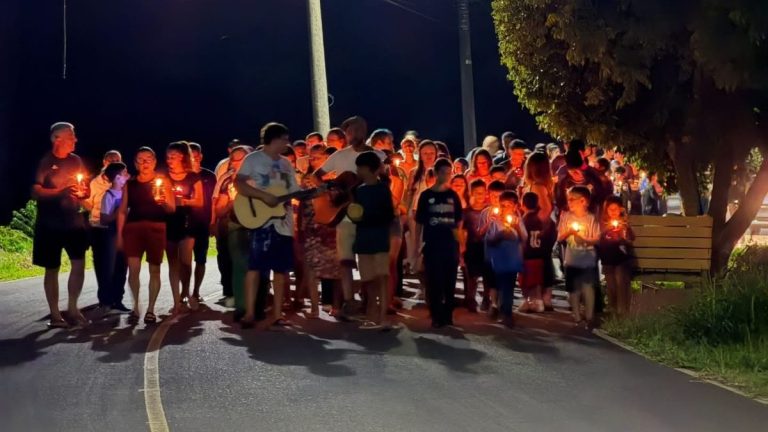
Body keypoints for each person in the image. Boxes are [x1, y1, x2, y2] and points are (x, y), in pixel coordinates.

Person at [313, 116, 385, 320]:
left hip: (368, 217)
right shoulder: (339, 156)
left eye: (355, 131)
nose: (352, 135)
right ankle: (348, 299)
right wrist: (331, 191)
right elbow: (317, 175)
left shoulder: (378, 155)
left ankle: (370, 301)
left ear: (364, 131)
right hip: (343, 216)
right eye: (348, 132)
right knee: (345, 260)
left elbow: (388, 180)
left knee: (366, 262)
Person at [236, 122, 301, 329]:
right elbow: (239, 183)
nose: (287, 143)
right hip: (261, 221)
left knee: (281, 269)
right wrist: (263, 196)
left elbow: (294, 190)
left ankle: (277, 313)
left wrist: (314, 192)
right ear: (274, 139)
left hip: (284, 222)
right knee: (255, 266)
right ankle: (249, 313)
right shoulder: (253, 159)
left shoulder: (286, 164)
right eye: (284, 139)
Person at [31, 122, 91, 328]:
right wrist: (60, 191)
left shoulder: (76, 160)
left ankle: (73, 308)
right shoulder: (45, 162)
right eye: (71, 136)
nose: (75, 139)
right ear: (57, 138)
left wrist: (84, 192)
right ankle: (55, 315)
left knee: (79, 263)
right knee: (52, 268)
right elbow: (35, 191)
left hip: (73, 222)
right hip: (49, 224)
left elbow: (83, 186)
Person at [118, 147, 176, 324]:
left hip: (156, 228)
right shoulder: (130, 184)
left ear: (155, 162)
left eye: (148, 159)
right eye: (141, 159)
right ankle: (136, 304)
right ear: (135, 163)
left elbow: (172, 208)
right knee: (133, 269)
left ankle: (151, 308)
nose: (145, 163)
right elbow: (122, 210)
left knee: (154, 269)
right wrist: (120, 234)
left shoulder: (162, 182)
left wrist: (163, 201)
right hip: (133, 228)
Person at [414, 158, 463, 328]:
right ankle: (436, 314)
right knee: (434, 281)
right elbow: (419, 222)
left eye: (449, 173)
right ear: (435, 173)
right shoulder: (426, 196)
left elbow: (458, 222)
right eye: (443, 172)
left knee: (450, 281)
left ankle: (448, 314)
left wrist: (460, 246)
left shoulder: (453, 196)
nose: (446, 176)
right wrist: (415, 248)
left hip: (450, 245)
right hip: (432, 244)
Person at [349, 152, 395, 329]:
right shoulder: (357, 190)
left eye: (360, 167)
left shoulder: (383, 189)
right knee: (368, 279)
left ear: (370, 169)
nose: (358, 170)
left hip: (379, 237)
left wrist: (367, 217)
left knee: (381, 277)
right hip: (364, 239)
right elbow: (353, 214)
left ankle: (382, 316)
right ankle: (372, 314)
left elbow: (389, 215)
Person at [298, 144, 341, 318]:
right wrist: (301, 224)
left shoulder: (336, 177)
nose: (314, 161)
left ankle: (336, 305)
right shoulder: (306, 179)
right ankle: (314, 307)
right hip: (311, 226)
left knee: (335, 267)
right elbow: (302, 202)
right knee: (311, 267)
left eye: (318, 157)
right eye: (312, 157)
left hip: (331, 227)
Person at [86, 150, 128, 312]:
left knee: (120, 266)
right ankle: (105, 300)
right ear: (104, 162)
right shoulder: (96, 184)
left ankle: (118, 299)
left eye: (117, 159)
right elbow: (88, 203)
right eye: (110, 159)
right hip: (102, 229)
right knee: (105, 266)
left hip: (122, 230)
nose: (113, 161)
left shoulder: (125, 186)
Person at [164, 142, 204, 313]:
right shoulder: (164, 176)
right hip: (168, 221)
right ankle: (176, 300)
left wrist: (182, 201)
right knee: (173, 262)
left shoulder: (193, 177)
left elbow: (200, 201)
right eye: (168, 157)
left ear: (182, 156)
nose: (169, 160)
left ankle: (186, 292)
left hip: (187, 222)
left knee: (185, 262)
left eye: (173, 156)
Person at [212, 145, 251, 309]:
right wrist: (231, 203)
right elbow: (218, 208)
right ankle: (231, 293)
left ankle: (254, 295)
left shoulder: (257, 179)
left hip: (251, 225)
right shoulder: (225, 181)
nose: (235, 163)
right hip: (230, 225)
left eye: (240, 159)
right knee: (228, 259)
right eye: (233, 160)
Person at [557, 186, 600, 327]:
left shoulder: (591, 218)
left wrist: (585, 240)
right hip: (572, 258)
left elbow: (596, 238)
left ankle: (589, 316)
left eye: (572, 199)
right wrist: (569, 232)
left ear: (583, 201)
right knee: (573, 289)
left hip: (587, 258)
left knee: (588, 287)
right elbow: (559, 237)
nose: (569, 202)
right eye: (568, 199)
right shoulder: (566, 217)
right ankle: (576, 315)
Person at [484, 191, 526, 327]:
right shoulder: (495, 222)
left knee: (509, 287)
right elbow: (489, 240)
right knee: (501, 286)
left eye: (509, 205)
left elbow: (524, 238)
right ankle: (501, 309)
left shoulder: (518, 221)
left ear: (515, 207)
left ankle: (507, 313)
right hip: (498, 261)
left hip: (512, 261)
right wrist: (500, 236)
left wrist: (516, 229)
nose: (505, 208)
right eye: (502, 205)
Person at [189, 143, 217, 306]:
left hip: (202, 221)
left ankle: (196, 291)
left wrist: (213, 221)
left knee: (200, 258)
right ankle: (183, 292)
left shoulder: (209, 176)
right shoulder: (182, 176)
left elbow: (214, 201)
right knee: (183, 260)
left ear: (200, 156)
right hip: (185, 223)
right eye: (190, 155)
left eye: (196, 154)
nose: (193, 158)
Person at [520, 192, 555, 313]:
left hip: (529, 255)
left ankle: (532, 302)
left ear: (522, 204)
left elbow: (522, 238)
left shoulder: (523, 220)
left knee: (529, 280)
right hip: (543, 254)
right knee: (543, 277)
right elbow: (552, 235)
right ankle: (544, 300)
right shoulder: (546, 220)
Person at [599, 196, 635, 317]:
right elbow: (598, 239)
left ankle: (622, 312)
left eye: (616, 209)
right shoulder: (603, 225)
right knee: (611, 287)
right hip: (608, 259)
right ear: (606, 211)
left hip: (621, 259)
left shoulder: (624, 224)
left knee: (621, 283)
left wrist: (622, 236)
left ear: (621, 209)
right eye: (610, 209)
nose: (613, 212)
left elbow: (630, 240)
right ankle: (613, 310)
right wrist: (606, 230)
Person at [461, 179, 488, 313]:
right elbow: (462, 230)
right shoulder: (466, 212)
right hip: (471, 247)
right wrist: (462, 247)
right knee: (472, 276)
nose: (480, 196)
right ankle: (470, 299)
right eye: (477, 193)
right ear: (471, 193)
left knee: (487, 274)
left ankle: (487, 298)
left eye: (482, 193)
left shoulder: (489, 211)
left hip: (486, 247)